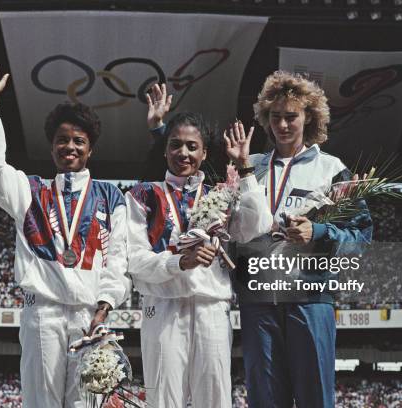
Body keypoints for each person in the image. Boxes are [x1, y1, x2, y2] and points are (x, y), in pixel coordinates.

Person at [0, 64, 130, 408]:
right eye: (62, 140)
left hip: (90, 316)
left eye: (78, 141)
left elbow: (118, 257)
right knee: (42, 403)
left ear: (91, 149)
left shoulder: (110, 196)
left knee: (87, 403)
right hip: (43, 316)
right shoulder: (28, 191)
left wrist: (107, 302)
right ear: (51, 146)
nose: (69, 146)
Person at [125, 85, 272, 408]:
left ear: (205, 153)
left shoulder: (223, 193)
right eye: (175, 145)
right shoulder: (141, 195)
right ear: (165, 150)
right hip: (163, 306)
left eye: (193, 146)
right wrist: (180, 262)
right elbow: (135, 260)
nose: (184, 153)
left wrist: (246, 167)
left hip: (211, 306)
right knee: (163, 400)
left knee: (215, 399)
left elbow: (258, 225)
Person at [237, 71, 373, 408]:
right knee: (264, 399)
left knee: (315, 398)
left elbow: (360, 238)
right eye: (275, 116)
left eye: (291, 116)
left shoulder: (331, 170)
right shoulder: (247, 168)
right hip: (259, 301)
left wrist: (318, 232)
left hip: (309, 300)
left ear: (308, 116)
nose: (282, 125)